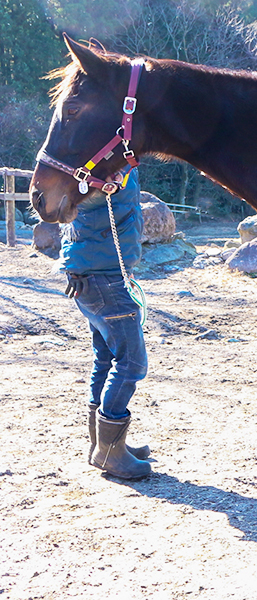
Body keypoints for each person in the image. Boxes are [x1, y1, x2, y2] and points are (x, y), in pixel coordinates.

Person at [59, 166, 151, 479]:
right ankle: (110, 453)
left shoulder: (112, 162)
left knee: (107, 359)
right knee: (132, 363)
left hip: (93, 272)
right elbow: (86, 196)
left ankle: (104, 444)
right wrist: (107, 183)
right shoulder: (100, 163)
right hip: (105, 277)